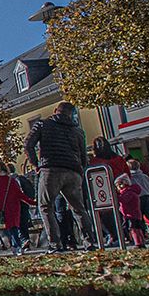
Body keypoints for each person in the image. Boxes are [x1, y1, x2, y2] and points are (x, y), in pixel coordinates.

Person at [25, 102, 99, 251]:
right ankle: (89, 241)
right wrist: (80, 170)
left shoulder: (42, 124)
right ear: (71, 114)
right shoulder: (77, 130)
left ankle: (55, 244)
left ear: (55, 111)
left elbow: (28, 144)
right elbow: (83, 155)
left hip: (50, 169)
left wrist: (35, 164)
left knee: (46, 207)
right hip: (73, 170)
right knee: (79, 208)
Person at [0, 162, 31, 255]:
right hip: (15, 206)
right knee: (14, 226)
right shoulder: (11, 180)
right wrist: (31, 202)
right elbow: (19, 194)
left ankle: (16, 246)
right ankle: (17, 245)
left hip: (3, 208)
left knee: (9, 228)